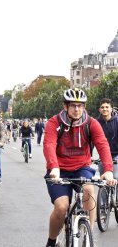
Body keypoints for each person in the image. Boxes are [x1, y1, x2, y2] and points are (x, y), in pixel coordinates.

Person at [43, 88, 116, 247]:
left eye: (81, 105)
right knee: (62, 207)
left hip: (81, 167)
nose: (77, 109)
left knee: (89, 190)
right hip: (59, 170)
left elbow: (103, 145)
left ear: (84, 107)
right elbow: (49, 145)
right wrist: (54, 167)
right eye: (73, 105)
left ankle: (87, 236)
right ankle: (51, 241)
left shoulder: (91, 123)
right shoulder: (54, 123)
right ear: (65, 106)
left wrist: (109, 170)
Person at [97, 98, 118, 178]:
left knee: (115, 177)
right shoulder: (96, 123)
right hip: (103, 155)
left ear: (111, 109)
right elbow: (91, 140)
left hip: (116, 154)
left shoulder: (117, 121)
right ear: (99, 109)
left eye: (107, 107)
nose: (104, 109)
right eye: (102, 107)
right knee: (103, 180)